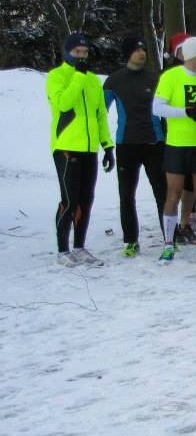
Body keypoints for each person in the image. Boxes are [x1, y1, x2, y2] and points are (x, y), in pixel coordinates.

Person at [47, 32, 115, 267]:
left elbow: (100, 116)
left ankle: (80, 246)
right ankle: (62, 249)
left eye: (85, 53)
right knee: (69, 199)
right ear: (67, 53)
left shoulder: (93, 80)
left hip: (89, 149)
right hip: (66, 147)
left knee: (86, 199)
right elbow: (63, 103)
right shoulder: (57, 76)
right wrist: (77, 76)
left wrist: (107, 146)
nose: (82, 57)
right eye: (77, 53)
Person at [153, 37, 196, 263]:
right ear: (193, 55)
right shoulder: (171, 76)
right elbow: (157, 107)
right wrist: (185, 112)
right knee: (174, 193)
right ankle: (168, 244)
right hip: (177, 144)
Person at [104, 35, 165, 257]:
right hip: (126, 144)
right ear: (128, 54)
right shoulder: (114, 81)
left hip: (154, 142)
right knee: (126, 194)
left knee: (162, 192)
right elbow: (100, 112)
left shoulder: (155, 78)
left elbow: (168, 106)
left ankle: (170, 238)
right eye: (137, 50)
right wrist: (104, 143)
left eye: (143, 50)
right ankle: (130, 240)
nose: (142, 53)